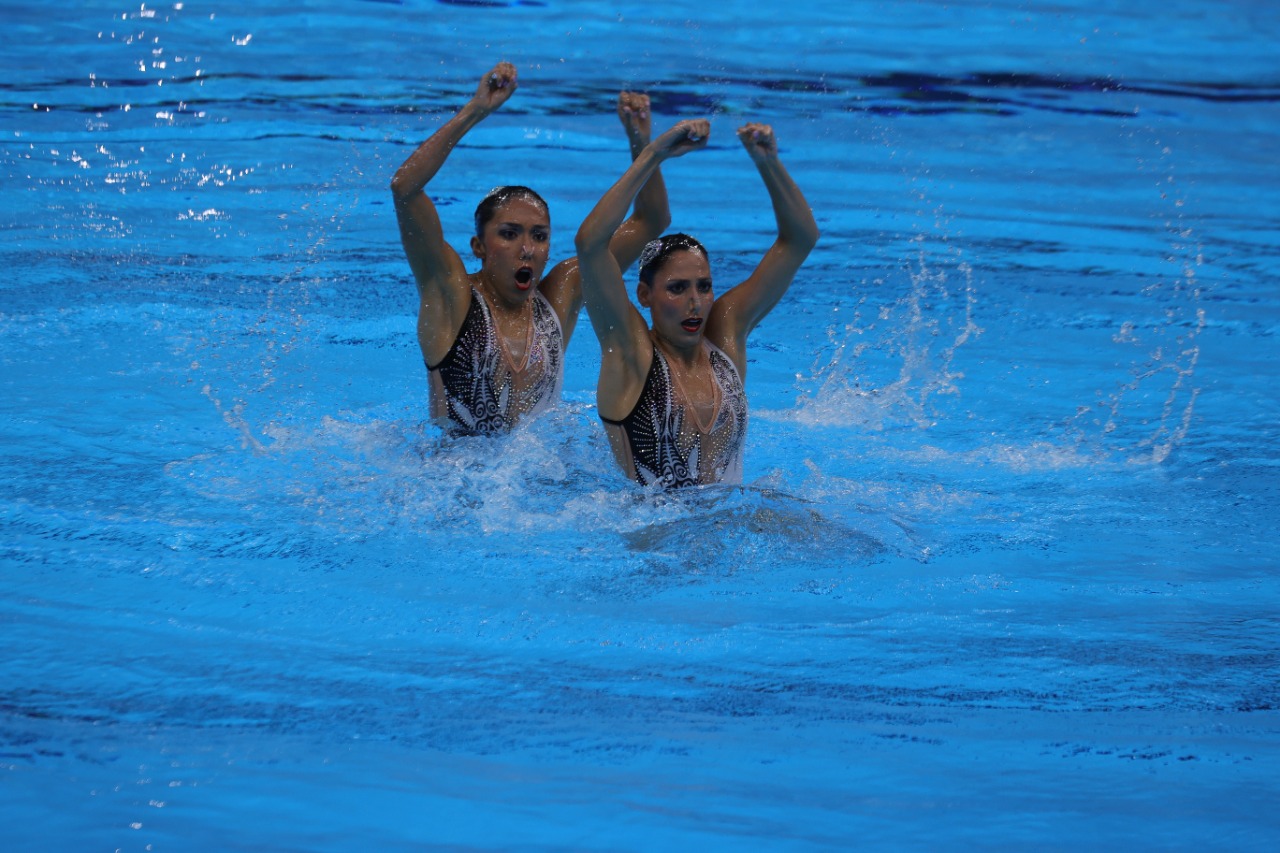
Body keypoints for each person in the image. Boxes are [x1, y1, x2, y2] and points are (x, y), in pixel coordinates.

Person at [390, 62, 670, 435]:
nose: (527, 249)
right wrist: (475, 111)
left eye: (539, 236)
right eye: (509, 234)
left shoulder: (561, 297)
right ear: (479, 246)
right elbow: (404, 189)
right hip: (449, 467)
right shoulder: (451, 294)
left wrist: (642, 145)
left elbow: (652, 220)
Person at [574, 119, 819, 488]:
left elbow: (800, 239)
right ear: (645, 295)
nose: (695, 302)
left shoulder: (725, 338)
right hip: (648, 523)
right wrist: (653, 154)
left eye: (704, 287)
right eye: (677, 288)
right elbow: (590, 243)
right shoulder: (631, 354)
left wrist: (768, 162)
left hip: (730, 516)